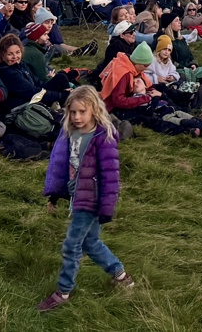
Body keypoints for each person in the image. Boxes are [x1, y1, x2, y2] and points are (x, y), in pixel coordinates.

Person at [37, 85, 132, 310]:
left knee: (72, 245)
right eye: (73, 112)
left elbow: (110, 176)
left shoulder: (103, 137)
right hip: (75, 194)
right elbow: (60, 165)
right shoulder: (69, 133)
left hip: (92, 200)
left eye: (82, 112)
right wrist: (54, 194)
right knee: (91, 242)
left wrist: (107, 207)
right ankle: (121, 277)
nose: (77, 117)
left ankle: (63, 292)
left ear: (94, 111)